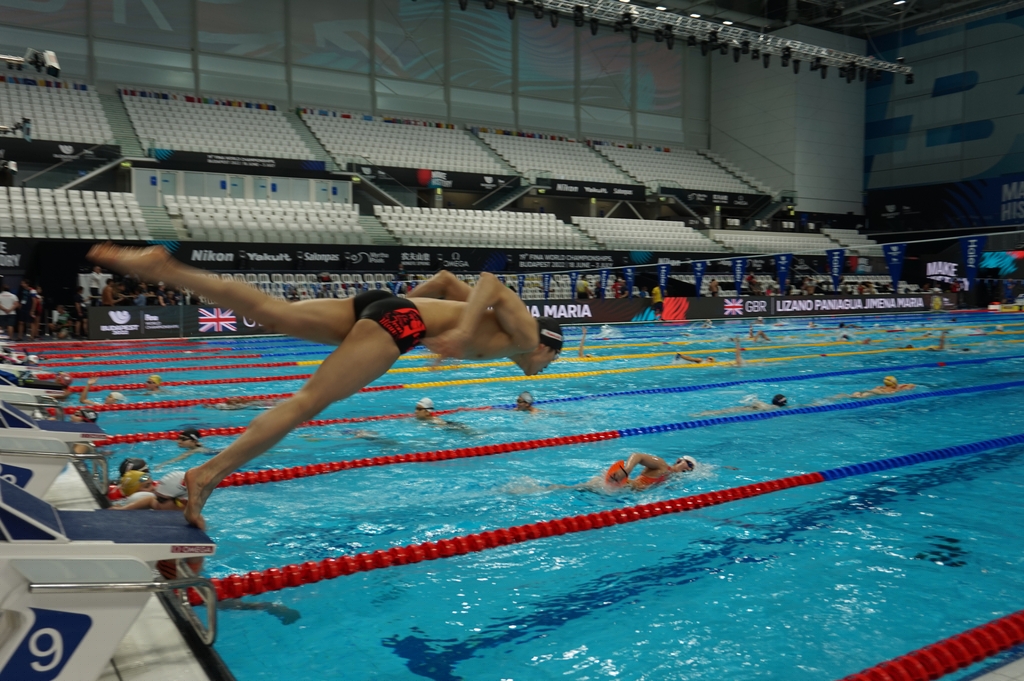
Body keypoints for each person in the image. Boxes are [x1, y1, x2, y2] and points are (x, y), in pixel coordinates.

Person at [90, 244, 563, 527]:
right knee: (307, 402)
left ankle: (166, 268)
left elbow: (444, 279)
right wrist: (449, 332)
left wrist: (402, 309)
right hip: (397, 322)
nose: (540, 373)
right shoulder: (524, 335)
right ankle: (206, 475)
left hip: (387, 309)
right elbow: (491, 281)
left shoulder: (500, 334)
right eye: (548, 365)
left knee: (273, 311)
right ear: (546, 349)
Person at [604, 453, 697, 490]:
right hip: (623, 486)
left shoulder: (672, 480)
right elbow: (638, 456)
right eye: (689, 464)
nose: (689, 469)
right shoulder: (662, 466)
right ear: (678, 460)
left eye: (691, 469)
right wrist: (627, 470)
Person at [696, 394, 788, 417]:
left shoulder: (771, 405)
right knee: (724, 412)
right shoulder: (775, 408)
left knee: (725, 410)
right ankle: (704, 414)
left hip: (749, 408)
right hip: (753, 409)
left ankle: (704, 413)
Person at [849, 376, 916, 398]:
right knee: (864, 396)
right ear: (895, 383)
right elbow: (912, 385)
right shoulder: (896, 389)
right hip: (881, 392)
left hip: (877, 390)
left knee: (862, 393)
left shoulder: (881, 387)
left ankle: (856, 394)